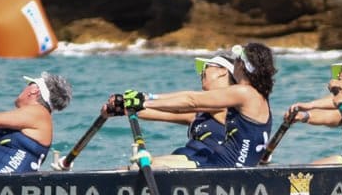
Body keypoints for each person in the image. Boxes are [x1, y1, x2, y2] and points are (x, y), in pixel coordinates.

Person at [114, 44, 276, 169]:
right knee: (139, 166)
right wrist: (135, 104)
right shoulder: (258, 96)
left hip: (222, 168)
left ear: (242, 66)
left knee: (137, 168)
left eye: (237, 60)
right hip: (222, 165)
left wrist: (145, 100)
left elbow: (191, 100)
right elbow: (186, 105)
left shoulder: (244, 92)